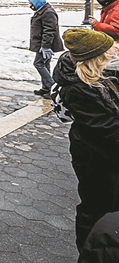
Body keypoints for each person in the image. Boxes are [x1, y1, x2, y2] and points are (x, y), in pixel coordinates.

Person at [51, 28, 119, 256]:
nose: (114, 54)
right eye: (109, 52)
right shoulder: (81, 88)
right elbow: (109, 130)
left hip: (100, 154)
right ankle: (92, 252)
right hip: (96, 158)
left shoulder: (99, 77)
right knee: (97, 208)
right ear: (95, 58)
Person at [27, 0, 64, 97]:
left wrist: (45, 46)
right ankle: (46, 88)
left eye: (31, 3)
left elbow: (49, 30)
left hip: (45, 45)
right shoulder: (42, 11)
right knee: (45, 64)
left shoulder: (48, 12)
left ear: (37, 3)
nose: (30, 6)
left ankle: (52, 87)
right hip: (42, 44)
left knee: (38, 64)